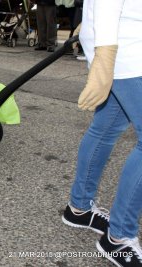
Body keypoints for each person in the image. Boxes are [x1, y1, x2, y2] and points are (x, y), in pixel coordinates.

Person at [61, 0, 142, 266]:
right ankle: (118, 238)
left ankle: (79, 208)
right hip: (128, 53)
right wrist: (104, 59)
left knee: (106, 129)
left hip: (122, 48)